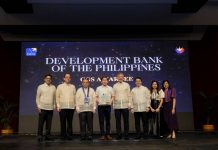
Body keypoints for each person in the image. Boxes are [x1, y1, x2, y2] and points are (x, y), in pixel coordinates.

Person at [36, 74, 56, 142]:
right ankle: (40, 135)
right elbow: (37, 97)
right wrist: (38, 106)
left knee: (49, 123)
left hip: (50, 108)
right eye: (47, 78)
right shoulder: (40, 87)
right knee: (41, 123)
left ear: (51, 80)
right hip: (42, 107)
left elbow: (54, 98)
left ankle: (47, 135)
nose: (48, 79)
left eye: (50, 78)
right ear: (44, 79)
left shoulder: (53, 87)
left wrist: (54, 105)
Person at [56, 73, 76, 140]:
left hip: (71, 107)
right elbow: (57, 96)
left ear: (70, 79)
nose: (68, 78)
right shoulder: (60, 86)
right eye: (66, 77)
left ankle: (69, 135)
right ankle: (63, 135)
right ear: (64, 78)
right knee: (63, 121)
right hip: (62, 107)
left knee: (70, 122)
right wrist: (58, 105)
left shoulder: (73, 86)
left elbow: (75, 96)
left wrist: (75, 105)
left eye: (69, 77)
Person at [113, 72, 131, 140]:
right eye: (119, 76)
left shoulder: (127, 85)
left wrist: (129, 103)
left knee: (126, 121)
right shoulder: (114, 86)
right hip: (117, 106)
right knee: (118, 121)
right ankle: (119, 135)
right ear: (117, 78)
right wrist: (114, 105)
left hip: (125, 105)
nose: (120, 77)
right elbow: (113, 96)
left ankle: (126, 135)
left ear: (123, 78)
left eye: (121, 76)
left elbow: (129, 95)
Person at [96, 76, 113, 140]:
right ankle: (102, 135)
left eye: (106, 80)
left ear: (107, 81)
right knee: (101, 121)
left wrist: (110, 102)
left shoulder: (110, 88)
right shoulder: (98, 88)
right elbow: (96, 96)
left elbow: (113, 96)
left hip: (108, 106)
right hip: (101, 106)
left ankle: (108, 134)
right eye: (103, 80)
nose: (104, 81)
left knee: (108, 121)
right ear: (101, 81)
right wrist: (98, 101)